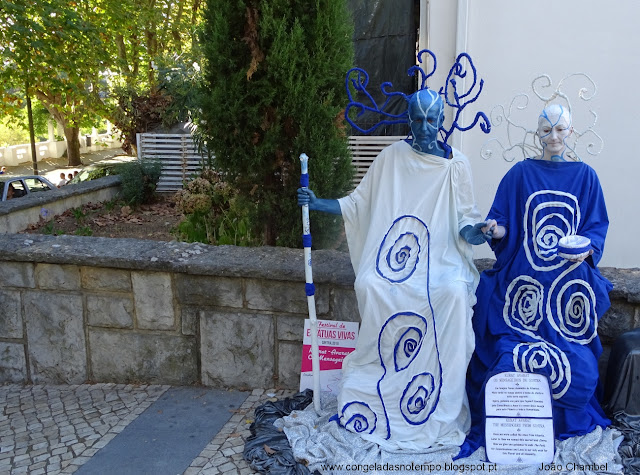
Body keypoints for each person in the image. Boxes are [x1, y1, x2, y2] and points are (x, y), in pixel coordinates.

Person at [298, 89, 493, 451]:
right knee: (371, 282)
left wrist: (477, 232)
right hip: (396, 259)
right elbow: (359, 203)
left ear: (441, 121)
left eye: (431, 119)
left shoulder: (456, 165)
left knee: (452, 292)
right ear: (409, 121)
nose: (424, 126)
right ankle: (377, 385)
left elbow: (466, 221)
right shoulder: (390, 158)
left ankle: (439, 403)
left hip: (442, 260)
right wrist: (318, 203)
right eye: (417, 119)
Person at [461, 104, 612, 455]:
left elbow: (595, 229)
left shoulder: (586, 176)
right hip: (521, 287)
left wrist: (585, 251)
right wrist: (494, 229)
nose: (553, 136)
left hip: (568, 288)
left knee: (580, 369)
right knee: (506, 358)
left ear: (571, 132)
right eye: (546, 129)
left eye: (560, 129)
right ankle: (512, 430)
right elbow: (502, 223)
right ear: (537, 133)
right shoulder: (520, 174)